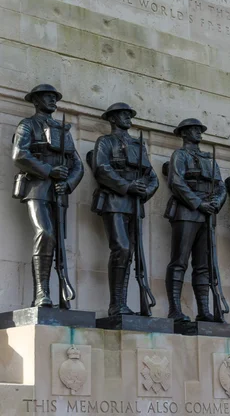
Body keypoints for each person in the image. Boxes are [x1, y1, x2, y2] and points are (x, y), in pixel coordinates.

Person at [12, 84, 83, 307]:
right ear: (36, 101)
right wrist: (49, 170)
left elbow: (77, 164)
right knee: (45, 233)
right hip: (37, 188)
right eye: (47, 97)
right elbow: (20, 154)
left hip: (59, 192)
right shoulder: (28, 125)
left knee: (59, 243)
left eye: (54, 97)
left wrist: (69, 183)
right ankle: (42, 292)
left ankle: (60, 293)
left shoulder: (63, 130)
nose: (53, 100)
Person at [90, 103, 159, 316]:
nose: (128, 118)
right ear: (112, 119)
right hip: (113, 201)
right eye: (123, 115)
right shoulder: (105, 142)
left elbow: (152, 176)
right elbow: (101, 168)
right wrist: (127, 186)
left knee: (131, 255)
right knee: (122, 248)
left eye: (130, 115)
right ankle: (116, 303)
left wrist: (144, 191)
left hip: (134, 204)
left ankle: (122, 304)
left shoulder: (138, 145)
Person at [164, 118, 227, 322]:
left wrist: (216, 203)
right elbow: (176, 182)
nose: (199, 133)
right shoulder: (180, 155)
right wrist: (199, 204)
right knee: (179, 261)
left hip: (208, 214)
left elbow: (221, 187)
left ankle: (204, 310)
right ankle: (175, 309)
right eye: (194, 130)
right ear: (184, 133)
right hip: (186, 212)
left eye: (200, 130)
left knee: (204, 265)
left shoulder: (210, 159)